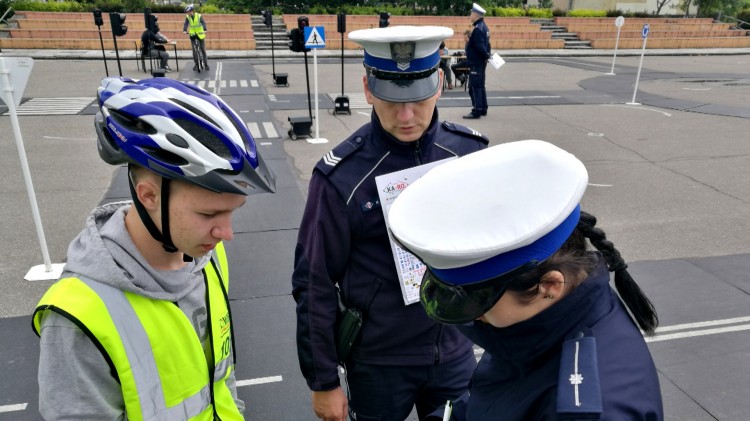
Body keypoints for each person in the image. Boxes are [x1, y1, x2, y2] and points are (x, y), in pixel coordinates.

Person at [32, 77, 276, 420]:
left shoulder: (210, 259)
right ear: (148, 196)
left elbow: (222, 377)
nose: (227, 233)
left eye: (233, 211)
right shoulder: (77, 316)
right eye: (209, 213)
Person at [291, 26, 488, 421]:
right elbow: (313, 283)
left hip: (455, 350)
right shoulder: (341, 178)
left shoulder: (469, 155)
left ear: (438, 84)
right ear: (367, 88)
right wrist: (324, 380)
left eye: (417, 100)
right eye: (390, 101)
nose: (405, 116)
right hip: (379, 363)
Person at [388, 140, 664, 420]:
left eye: (479, 301)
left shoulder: (594, 410)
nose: (474, 319)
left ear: (550, 286)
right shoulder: (537, 325)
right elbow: (490, 396)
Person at [463, 3, 491, 119]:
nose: (470, 15)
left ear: (476, 14)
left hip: (476, 63)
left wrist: (486, 55)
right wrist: (488, 55)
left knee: (475, 87)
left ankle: (477, 110)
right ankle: (483, 108)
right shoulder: (484, 27)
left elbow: (480, 47)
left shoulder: (478, 29)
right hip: (481, 62)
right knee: (480, 86)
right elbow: (487, 45)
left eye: (471, 13)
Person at [183, 4, 209, 71]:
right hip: (192, 34)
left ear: (192, 11)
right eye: (187, 12)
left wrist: (205, 29)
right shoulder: (187, 17)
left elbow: (203, 23)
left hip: (200, 34)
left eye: (188, 12)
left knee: (203, 49)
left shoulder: (199, 16)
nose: (188, 13)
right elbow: (186, 23)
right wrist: (184, 30)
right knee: (194, 50)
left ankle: (206, 64)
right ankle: (196, 64)